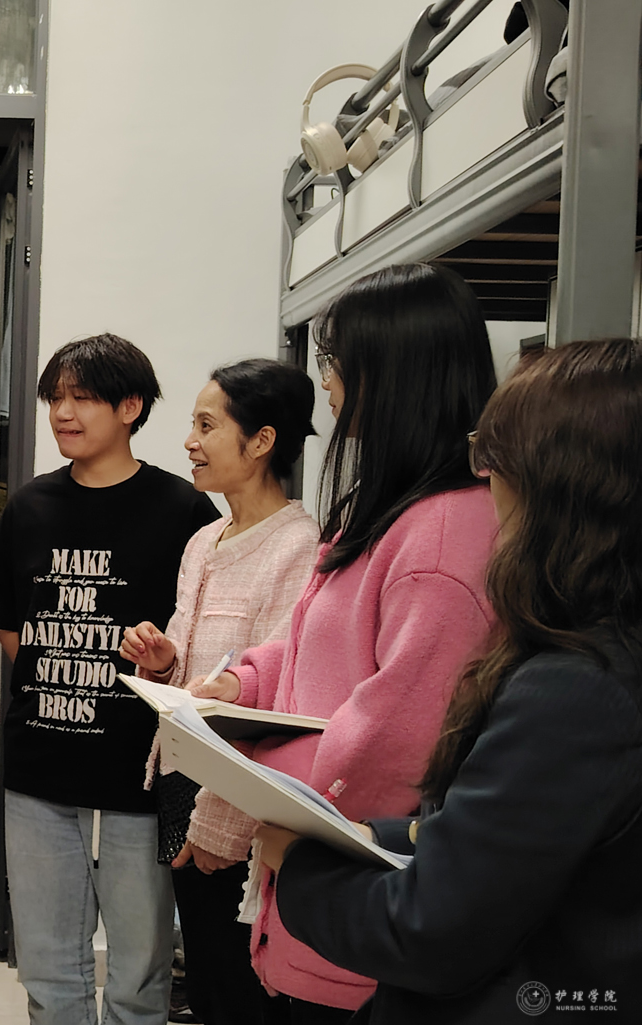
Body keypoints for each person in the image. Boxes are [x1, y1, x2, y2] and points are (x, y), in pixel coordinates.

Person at [260, 337, 642, 1024]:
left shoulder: (576, 691)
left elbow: (433, 928)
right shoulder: (598, 649)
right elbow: (499, 835)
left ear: (557, 484)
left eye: (495, 459)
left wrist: (301, 865)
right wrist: (378, 835)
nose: (486, 482)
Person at [186, 264, 500, 1022]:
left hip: (358, 894)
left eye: (336, 359)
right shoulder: (385, 507)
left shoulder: (442, 536)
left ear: (393, 368)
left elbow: (397, 737)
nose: (325, 380)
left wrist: (254, 775)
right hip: (314, 871)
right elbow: (305, 639)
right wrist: (244, 683)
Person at [0, 333, 218, 1025]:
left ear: (130, 406)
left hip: (140, 775)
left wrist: (159, 662)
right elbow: (10, 624)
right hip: (39, 768)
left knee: (140, 973)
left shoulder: (185, 512)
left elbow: (198, 645)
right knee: (48, 969)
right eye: (55, 398)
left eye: (82, 398)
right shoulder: (29, 507)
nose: (63, 413)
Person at [121, 358, 320, 1025]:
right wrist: (163, 660)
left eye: (207, 426)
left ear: (261, 441)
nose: (190, 442)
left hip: (238, 801)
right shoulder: (205, 539)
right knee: (207, 979)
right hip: (183, 782)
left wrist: (220, 823)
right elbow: (193, 670)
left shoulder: (298, 548)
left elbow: (273, 704)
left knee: (240, 987)